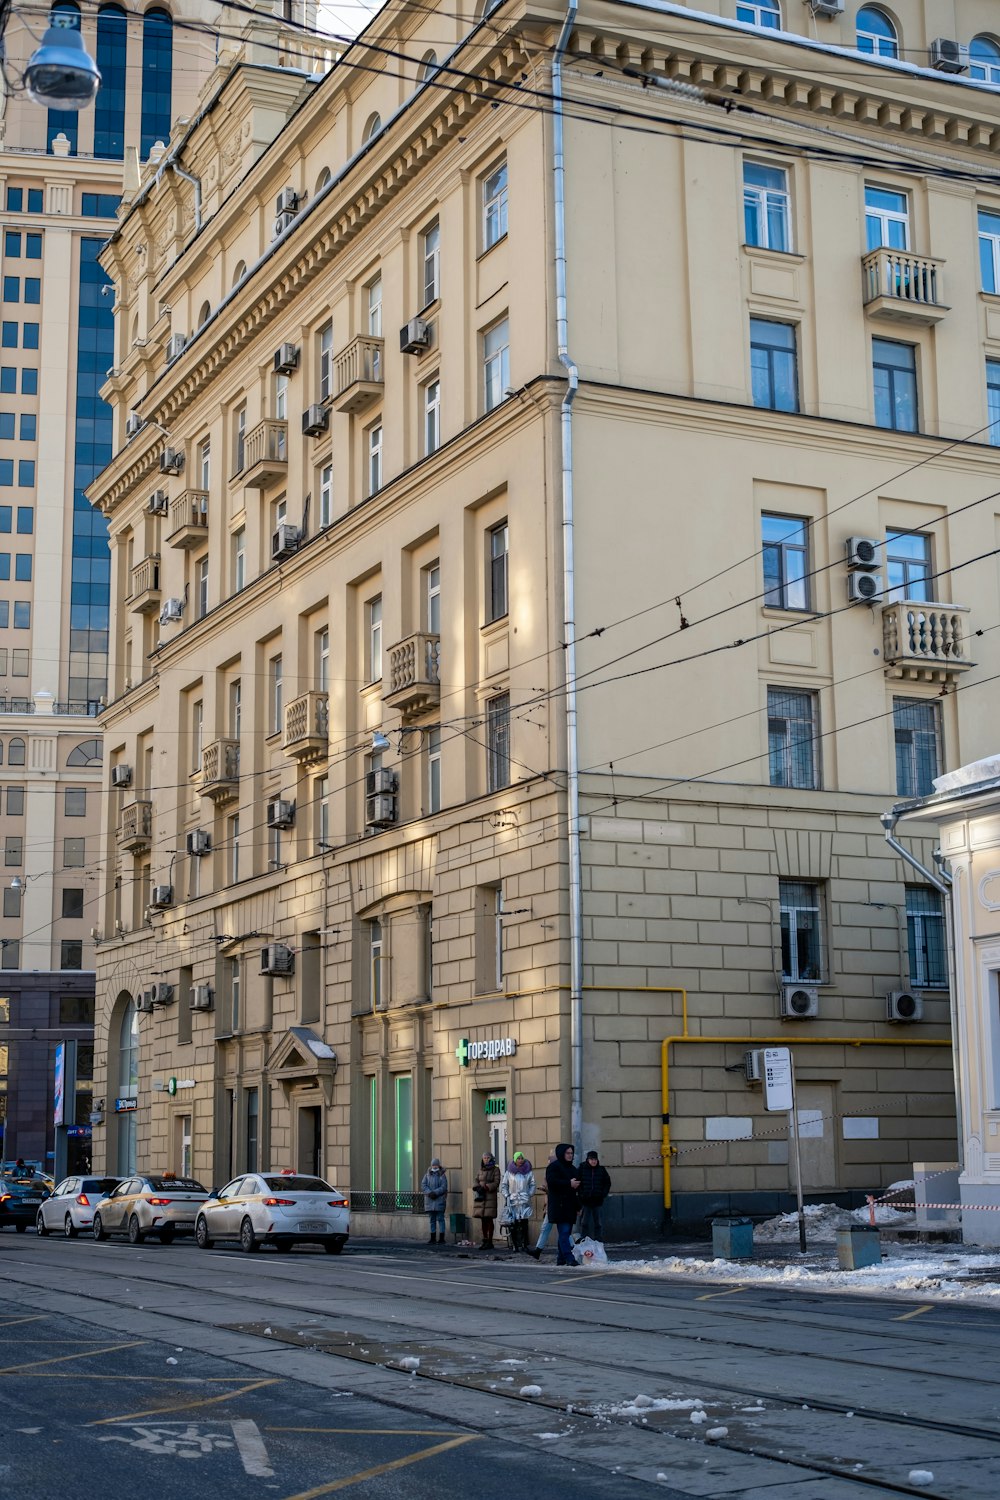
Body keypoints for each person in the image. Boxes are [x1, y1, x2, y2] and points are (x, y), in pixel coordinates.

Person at [545, 1142, 581, 1266]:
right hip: (559, 1205)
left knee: (565, 1233)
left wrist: (578, 1206)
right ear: (561, 1153)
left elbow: (576, 1190)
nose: (570, 1155)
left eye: (571, 1153)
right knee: (564, 1232)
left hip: (570, 1206)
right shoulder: (554, 1167)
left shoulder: (573, 1169)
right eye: (567, 1153)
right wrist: (568, 1183)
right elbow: (552, 1182)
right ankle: (569, 1257)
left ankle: (560, 1259)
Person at [499, 1152, 536, 1252]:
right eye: (518, 1158)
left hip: (524, 1200)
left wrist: (529, 1193)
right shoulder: (509, 1172)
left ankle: (524, 1244)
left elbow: (532, 1184)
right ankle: (515, 1244)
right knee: (513, 1224)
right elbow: (504, 1185)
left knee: (524, 1223)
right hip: (513, 1201)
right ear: (515, 1160)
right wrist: (507, 1195)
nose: (520, 1160)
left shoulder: (528, 1172)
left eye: (521, 1158)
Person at [577, 1150, 612, 1241]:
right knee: (584, 1223)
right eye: (592, 1159)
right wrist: (581, 1194)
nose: (594, 1161)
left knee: (598, 1223)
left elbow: (607, 1183)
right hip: (586, 1201)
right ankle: (583, 1241)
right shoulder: (582, 1168)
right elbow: (577, 1182)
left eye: (595, 1159)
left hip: (597, 1201)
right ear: (588, 1160)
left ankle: (598, 1242)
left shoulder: (601, 1170)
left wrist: (603, 1194)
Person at [529, 1151, 558, 1259]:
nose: (548, 1163)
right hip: (550, 1205)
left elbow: (556, 1189)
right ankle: (538, 1250)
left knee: (562, 1229)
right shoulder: (549, 1173)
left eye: (550, 1161)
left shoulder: (555, 1172)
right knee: (546, 1228)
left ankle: (573, 1248)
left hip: (556, 1205)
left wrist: (546, 1189)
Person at [473, 1151, 501, 1249]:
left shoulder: (495, 1169)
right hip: (481, 1197)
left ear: (491, 1158)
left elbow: (496, 1182)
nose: (486, 1159)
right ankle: (484, 1240)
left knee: (489, 1219)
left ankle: (490, 1241)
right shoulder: (481, 1169)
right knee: (483, 1219)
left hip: (490, 1197)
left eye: (488, 1158)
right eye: (484, 1158)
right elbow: (476, 1180)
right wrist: (477, 1187)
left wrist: (486, 1187)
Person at [420, 1157, 448, 1244]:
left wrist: (435, 1193)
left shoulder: (442, 1175)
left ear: (438, 1165)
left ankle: (441, 1238)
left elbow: (443, 1187)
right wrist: (429, 1193)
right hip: (430, 1201)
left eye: (436, 1165)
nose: (434, 1166)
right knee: (432, 1220)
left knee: (440, 1219)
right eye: (433, 1165)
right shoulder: (427, 1175)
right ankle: (432, 1238)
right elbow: (423, 1185)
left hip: (439, 1200)